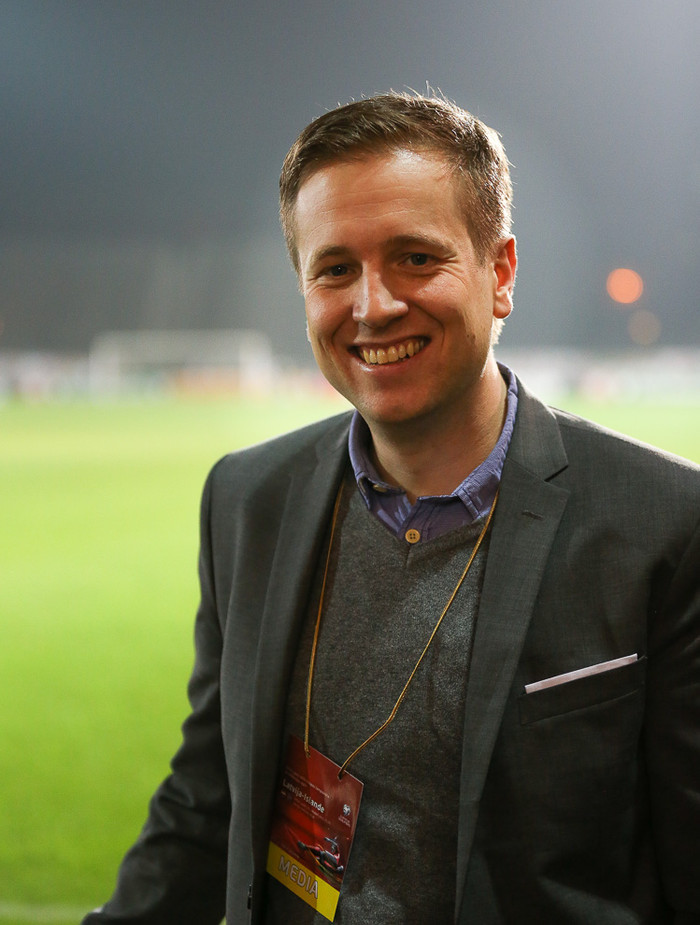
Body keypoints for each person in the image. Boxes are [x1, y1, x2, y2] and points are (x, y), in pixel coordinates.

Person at [82, 92, 700, 924]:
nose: (373, 305)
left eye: (415, 257)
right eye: (335, 269)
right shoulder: (246, 500)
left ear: (500, 272)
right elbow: (207, 801)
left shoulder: (666, 521)